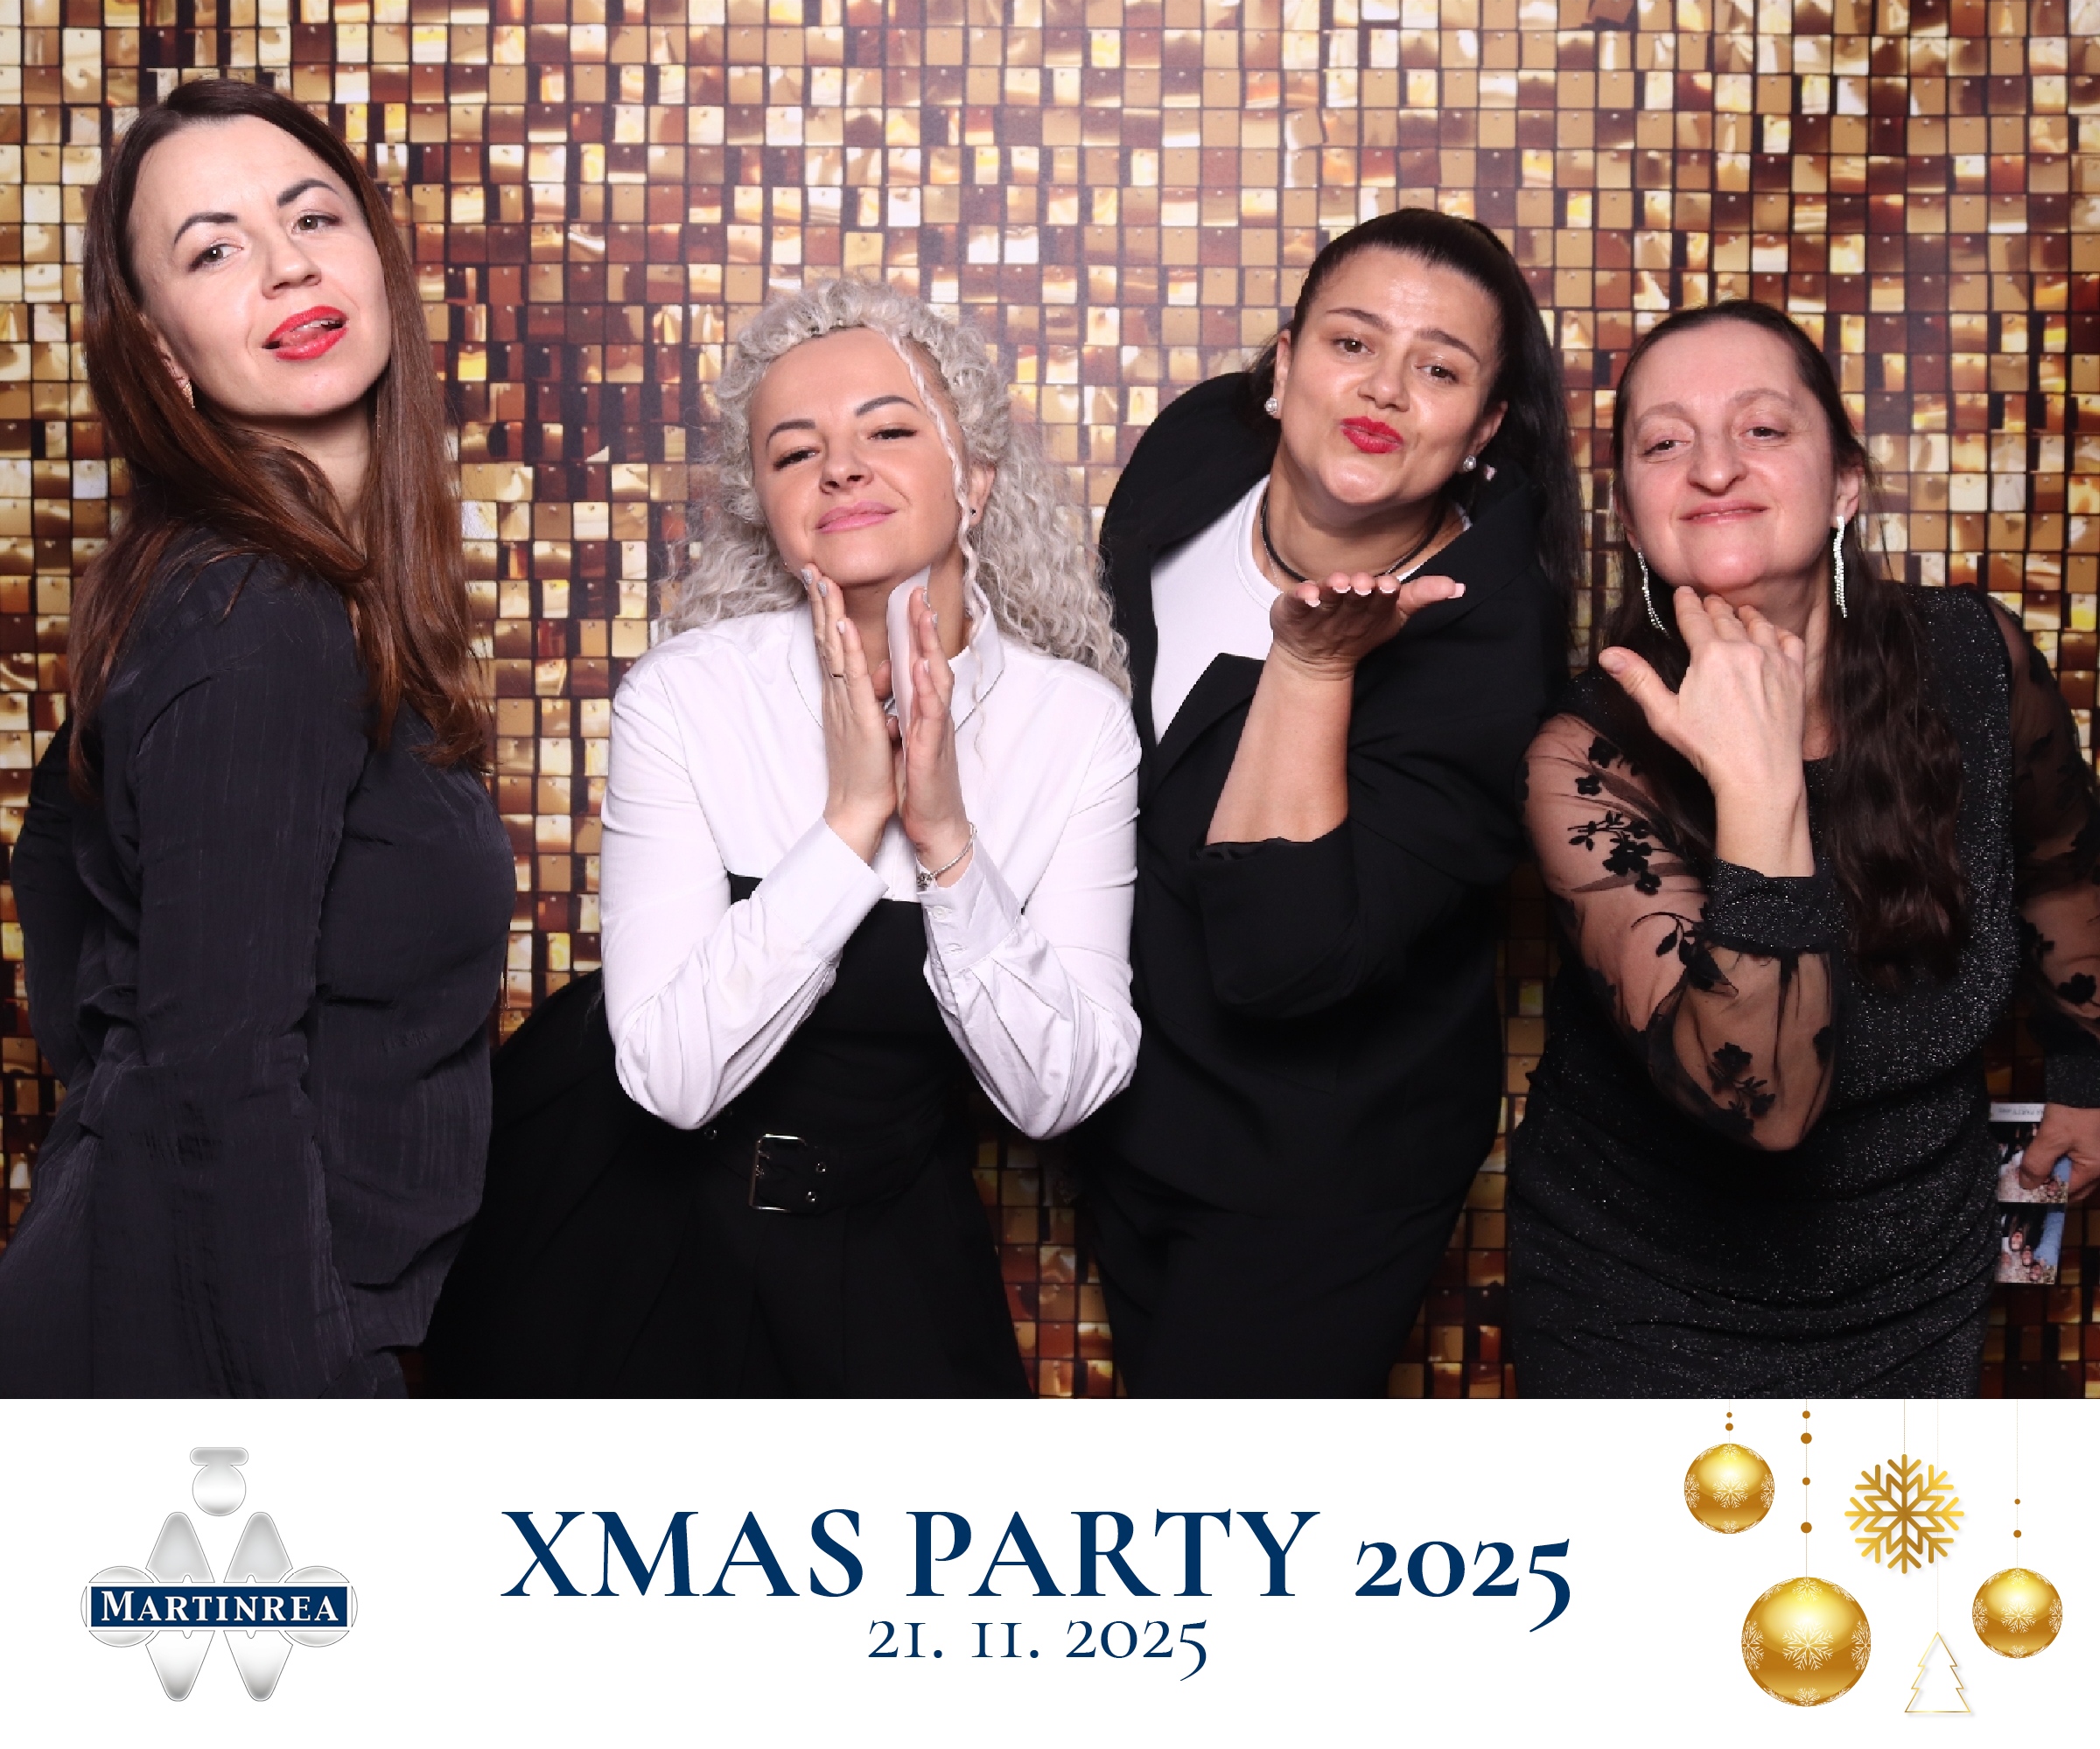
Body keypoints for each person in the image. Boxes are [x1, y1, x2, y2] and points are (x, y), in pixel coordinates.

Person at [425, 281, 1139, 1397]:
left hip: (882, 1235)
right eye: (796, 452)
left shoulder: (1075, 727)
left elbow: (1060, 1093)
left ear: (976, 476)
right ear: (766, 504)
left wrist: (946, 841)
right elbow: (670, 1081)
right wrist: (850, 825)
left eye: (889, 432)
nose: (841, 468)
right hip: (621, 1225)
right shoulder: (686, 696)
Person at [0, 80, 514, 1397]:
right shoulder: (258, 611)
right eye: (214, 250)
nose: (288, 265)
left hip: (213, 1311)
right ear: (157, 348)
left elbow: (56, 867)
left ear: (377, 260)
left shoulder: (250, 589)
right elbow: (215, 1072)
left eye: (313, 218)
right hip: (219, 1353)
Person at [1507, 301, 2100, 1398]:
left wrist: (2087, 1069)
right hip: (1636, 1305)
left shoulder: (1975, 657)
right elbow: (1765, 1104)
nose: (1713, 468)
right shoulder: (1583, 757)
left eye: (1763, 429)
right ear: (1631, 516)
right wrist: (1759, 782)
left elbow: (2064, 858)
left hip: (1917, 1283)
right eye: (1665, 442)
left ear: (1845, 485)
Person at [1077, 209, 1578, 1396]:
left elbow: (1280, 957)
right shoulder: (1199, 449)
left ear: (1484, 428)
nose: (1385, 389)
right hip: (1130, 1109)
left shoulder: (1489, 659)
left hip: (1317, 1170)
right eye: (1354, 343)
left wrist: (1310, 667)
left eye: (1440, 369)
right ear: (1287, 361)